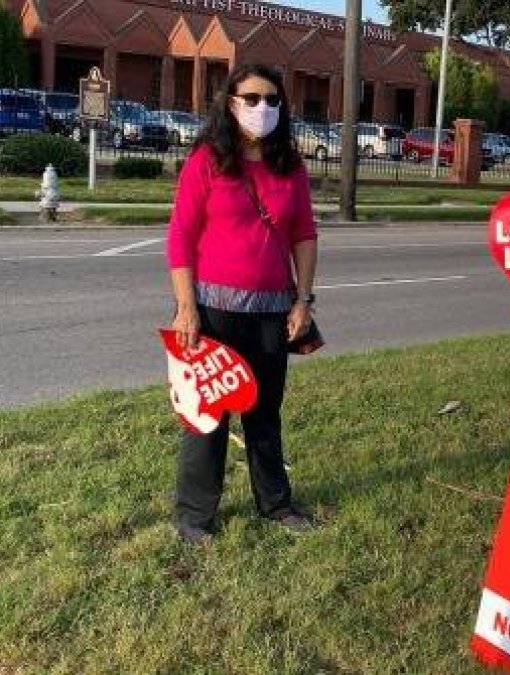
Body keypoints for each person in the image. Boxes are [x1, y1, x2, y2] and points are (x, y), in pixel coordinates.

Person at [166, 63, 318, 544]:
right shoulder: (208, 160)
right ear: (230, 103)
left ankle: (275, 503)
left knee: (265, 414)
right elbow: (181, 237)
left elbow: (304, 236)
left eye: (272, 100)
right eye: (251, 98)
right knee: (206, 417)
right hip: (213, 312)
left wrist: (303, 301)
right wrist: (185, 307)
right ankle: (194, 517)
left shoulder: (289, 167)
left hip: (272, 313)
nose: (262, 108)